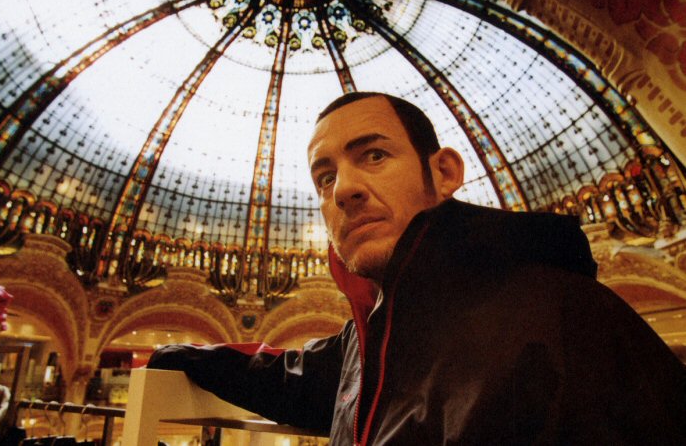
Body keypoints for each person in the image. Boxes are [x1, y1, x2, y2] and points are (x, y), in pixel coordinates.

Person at [148, 92, 686, 444]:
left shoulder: (561, 315)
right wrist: (180, 355)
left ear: (444, 172)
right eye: (324, 177)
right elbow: (295, 381)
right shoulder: (373, 336)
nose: (345, 189)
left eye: (374, 155)